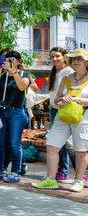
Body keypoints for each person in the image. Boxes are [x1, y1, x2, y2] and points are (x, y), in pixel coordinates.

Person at [32, 48, 88, 193]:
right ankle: (50, 179)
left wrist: (77, 100)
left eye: (79, 59)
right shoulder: (66, 78)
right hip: (62, 116)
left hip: (82, 117)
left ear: (86, 61)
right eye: (74, 59)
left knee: (81, 150)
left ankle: (78, 181)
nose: (76, 61)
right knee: (52, 145)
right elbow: (56, 99)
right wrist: (62, 100)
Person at [0, 49, 31, 183]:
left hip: (16, 112)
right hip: (0, 111)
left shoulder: (24, 74)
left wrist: (14, 72)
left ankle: (15, 172)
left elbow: (22, 87)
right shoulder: (1, 75)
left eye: (12, 60)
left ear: (19, 61)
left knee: (14, 144)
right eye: (7, 60)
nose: (9, 62)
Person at [46, 47, 74, 183]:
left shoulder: (69, 72)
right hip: (54, 109)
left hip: (66, 110)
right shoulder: (55, 72)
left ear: (64, 57)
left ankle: (75, 172)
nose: (54, 59)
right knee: (57, 143)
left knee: (69, 144)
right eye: (52, 57)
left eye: (57, 56)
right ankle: (62, 171)